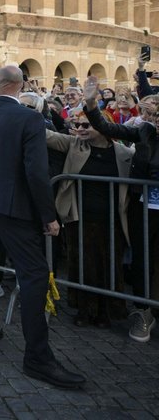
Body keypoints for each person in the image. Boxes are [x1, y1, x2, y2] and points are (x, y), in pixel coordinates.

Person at [0, 65, 85, 389]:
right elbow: (36, 172)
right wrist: (48, 216)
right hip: (14, 207)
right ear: (22, 85)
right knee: (35, 275)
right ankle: (37, 357)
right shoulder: (29, 119)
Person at [83, 74, 159, 343]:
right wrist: (91, 104)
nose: (155, 119)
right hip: (144, 206)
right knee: (142, 259)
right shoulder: (144, 132)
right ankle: (143, 311)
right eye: (154, 115)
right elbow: (107, 127)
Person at [45, 108, 132, 328]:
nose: (80, 129)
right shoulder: (74, 144)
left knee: (109, 265)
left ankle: (105, 311)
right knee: (82, 264)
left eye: (86, 125)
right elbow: (48, 136)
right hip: (79, 218)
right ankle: (84, 309)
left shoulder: (123, 153)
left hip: (112, 219)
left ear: (103, 126)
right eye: (77, 125)